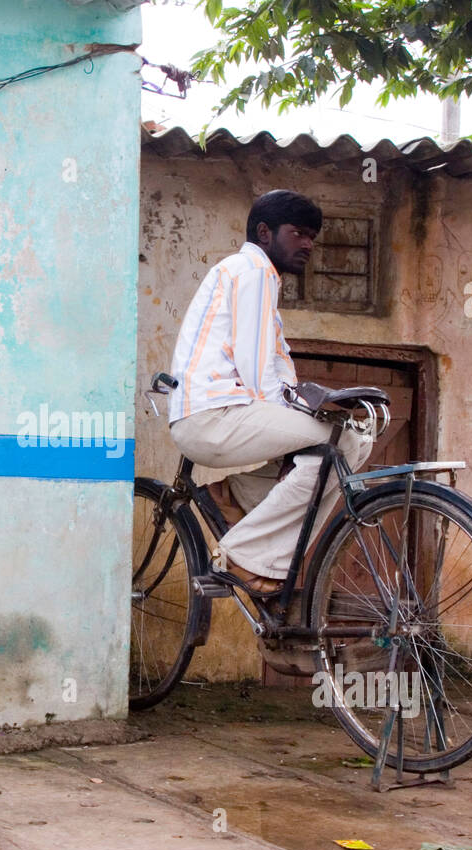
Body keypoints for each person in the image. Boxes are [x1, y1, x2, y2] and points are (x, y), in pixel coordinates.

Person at [167, 190, 373, 594]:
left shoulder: (257, 275)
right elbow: (259, 374)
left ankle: (237, 494)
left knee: (353, 440)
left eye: (312, 236)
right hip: (213, 416)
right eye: (298, 233)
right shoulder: (251, 271)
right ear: (265, 232)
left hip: (220, 416)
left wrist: (314, 405)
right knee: (343, 441)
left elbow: (278, 374)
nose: (308, 244)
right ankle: (242, 555)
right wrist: (310, 413)